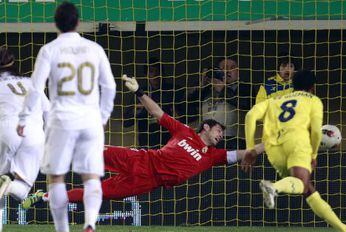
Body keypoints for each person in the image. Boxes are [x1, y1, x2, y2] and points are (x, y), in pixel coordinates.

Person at [23, 74, 264, 206]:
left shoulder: (213, 156)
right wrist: (139, 92)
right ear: (206, 127)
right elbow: (157, 112)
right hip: (140, 159)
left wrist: (271, 144)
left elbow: (244, 153)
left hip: (148, 181)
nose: (221, 134)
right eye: (218, 130)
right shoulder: (184, 132)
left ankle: (43, 197)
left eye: (222, 132)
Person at [15, 2, 117, 232]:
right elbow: (110, 86)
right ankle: (90, 225)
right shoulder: (94, 49)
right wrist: (103, 117)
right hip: (90, 120)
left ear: (55, 23)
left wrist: (23, 118)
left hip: (61, 120)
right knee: (91, 177)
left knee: (56, 179)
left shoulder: (49, 50)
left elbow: (36, 89)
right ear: (78, 22)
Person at [242, 70, 346, 232]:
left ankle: (345, 230)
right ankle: (273, 187)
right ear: (313, 87)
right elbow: (316, 132)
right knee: (302, 184)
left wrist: (250, 148)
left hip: (274, 149)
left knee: (307, 188)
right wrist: (314, 154)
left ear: (293, 85)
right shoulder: (314, 101)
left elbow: (250, 115)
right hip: (297, 144)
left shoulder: (275, 100)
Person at [0, 46, 49, 232]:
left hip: (6, 130)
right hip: (34, 133)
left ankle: (6, 183)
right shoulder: (31, 82)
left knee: (1, 184)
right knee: (21, 191)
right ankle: (8, 184)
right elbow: (49, 113)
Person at [183, 57, 254, 149]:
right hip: (205, 143)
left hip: (233, 143)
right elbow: (187, 109)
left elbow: (246, 104)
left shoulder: (245, 88)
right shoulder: (207, 90)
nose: (228, 71)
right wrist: (201, 85)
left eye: (232, 67)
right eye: (224, 68)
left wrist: (223, 89)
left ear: (238, 73)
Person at [123, 57, 175, 148]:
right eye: (151, 71)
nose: (155, 74)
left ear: (162, 73)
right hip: (146, 146)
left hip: (169, 145)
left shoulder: (172, 91)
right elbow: (126, 123)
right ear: (146, 74)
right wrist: (137, 111)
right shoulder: (139, 92)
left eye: (157, 71)